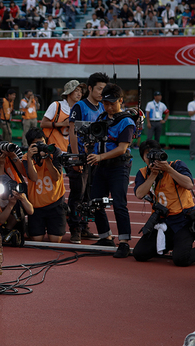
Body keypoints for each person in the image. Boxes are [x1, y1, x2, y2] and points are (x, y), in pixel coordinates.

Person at [132, 140, 195, 266]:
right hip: (161, 221)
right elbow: (139, 194)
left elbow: (189, 184)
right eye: (148, 155)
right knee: (139, 253)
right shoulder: (143, 173)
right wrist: (153, 175)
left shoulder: (176, 165)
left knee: (181, 260)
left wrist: (168, 169)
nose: (153, 158)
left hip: (183, 221)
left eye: (155, 154)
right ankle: (171, 244)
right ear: (143, 159)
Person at [87, 83, 134, 258]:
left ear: (121, 101)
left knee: (119, 204)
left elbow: (122, 148)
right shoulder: (101, 118)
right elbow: (96, 142)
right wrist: (90, 150)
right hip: (102, 166)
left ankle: (124, 242)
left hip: (119, 167)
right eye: (105, 103)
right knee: (95, 201)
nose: (108, 107)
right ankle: (105, 236)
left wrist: (99, 157)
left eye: (112, 103)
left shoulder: (126, 121)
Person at [68, 72, 109, 244]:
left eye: (104, 89)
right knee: (78, 192)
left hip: (95, 158)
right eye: (99, 89)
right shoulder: (79, 106)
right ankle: (75, 228)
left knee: (90, 195)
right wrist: (77, 158)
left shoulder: (102, 107)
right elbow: (72, 132)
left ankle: (84, 226)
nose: (102, 92)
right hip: (80, 156)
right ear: (90, 88)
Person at [23, 128, 66, 242]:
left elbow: (56, 177)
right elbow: (34, 178)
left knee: (55, 240)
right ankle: (31, 227)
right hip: (37, 205)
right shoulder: (26, 157)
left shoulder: (55, 152)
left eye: (42, 142)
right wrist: (29, 157)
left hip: (55, 201)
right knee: (37, 240)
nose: (40, 146)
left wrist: (47, 159)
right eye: (36, 144)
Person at [41, 80, 81, 153]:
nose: (79, 94)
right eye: (76, 91)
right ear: (69, 92)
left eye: (81, 92)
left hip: (71, 152)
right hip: (54, 151)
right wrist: (62, 124)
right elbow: (43, 124)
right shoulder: (56, 105)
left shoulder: (80, 109)